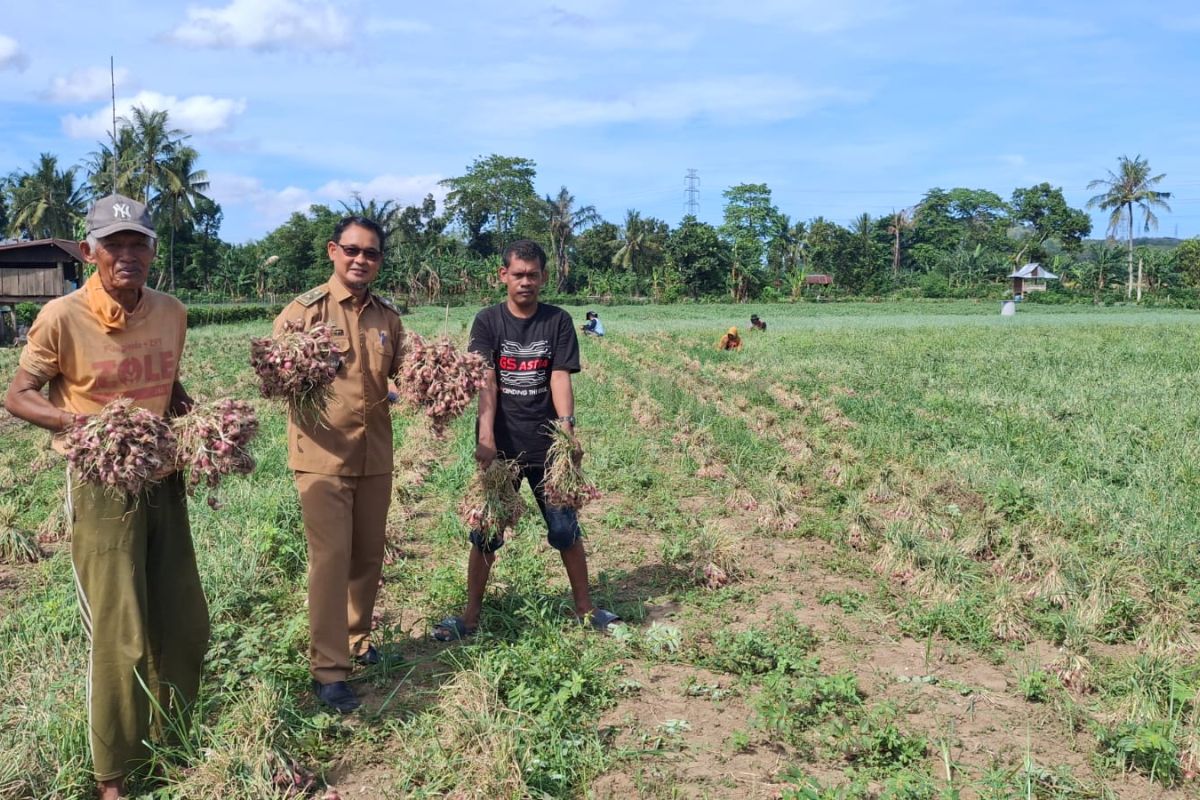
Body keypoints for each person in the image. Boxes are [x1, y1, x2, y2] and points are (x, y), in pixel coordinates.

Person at [3, 194, 208, 800]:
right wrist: (81, 425)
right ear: (88, 251)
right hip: (100, 483)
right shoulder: (61, 317)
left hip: (162, 474)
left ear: (153, 250)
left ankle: (174, 740)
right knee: (121, 632)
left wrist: (197, 422)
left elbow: (167, 381)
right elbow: (19, 394)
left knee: (184, 620)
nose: (126, 254)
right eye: (113, 244)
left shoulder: (171, 311)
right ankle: (112, 775)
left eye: (137, 242)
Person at [432, 240, 618, 641]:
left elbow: (559, 376)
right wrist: (485, 437)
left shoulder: (557, 321)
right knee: (487, 533)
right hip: (501, 449)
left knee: (564, 529)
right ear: (504, 276)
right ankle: (470, 618)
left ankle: (585, 609)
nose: (526, 282)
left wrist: (567, 432)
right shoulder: (488, 321)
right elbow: (487, 381)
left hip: (548, 449)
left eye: (533, 275)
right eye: (518, 274)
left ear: (544, 277)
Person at [274, 216, 405, 714]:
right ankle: (329, 670)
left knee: (368, 555)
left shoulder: (387, 317)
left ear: (379, 260)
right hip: (322, 457)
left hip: (374, 454)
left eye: (371, 253)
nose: (360, 260)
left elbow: (402, 371)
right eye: (352, 250)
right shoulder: (303, 313)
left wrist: (434, 377)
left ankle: (357, 638)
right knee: (330, 561)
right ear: (333, 251)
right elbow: (275, 373)